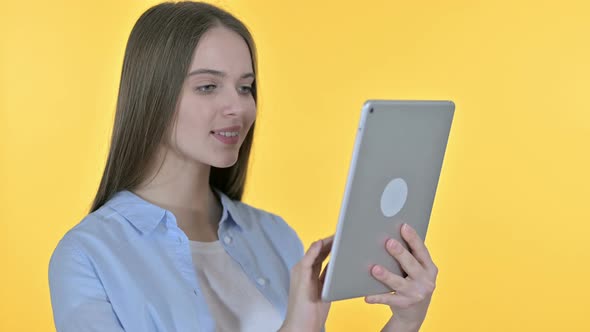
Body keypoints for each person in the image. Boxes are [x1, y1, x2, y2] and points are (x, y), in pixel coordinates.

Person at [48, 2, 438, 331]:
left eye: (245, 86)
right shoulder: (88, 256)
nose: (237, 107)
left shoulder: (274, 235)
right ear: (153, 96)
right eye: (207, 86)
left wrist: (405, 320)